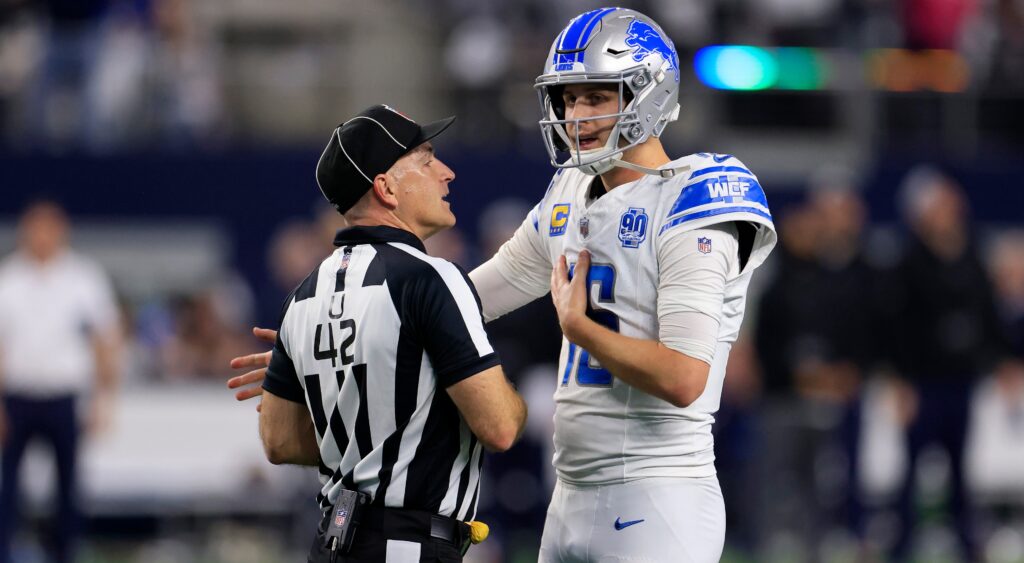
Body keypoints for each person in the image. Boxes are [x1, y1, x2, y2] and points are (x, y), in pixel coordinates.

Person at [231, 9, 777, 562]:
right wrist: (344, 330)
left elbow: (685, 378)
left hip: (659, 492)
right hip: (568, 492)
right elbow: (469, 298)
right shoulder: (569, 190)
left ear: (649, 91)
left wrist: (580, 330)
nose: (575, 115)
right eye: (566, 99)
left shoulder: (697, 196)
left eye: (594, 96)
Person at [249, 104, 528, 563]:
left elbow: (279, 442)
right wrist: (511, 402)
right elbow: (498, 425)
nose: (447, 173)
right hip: (407, 546)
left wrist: (373, 435)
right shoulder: (431, 278)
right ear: (386, 188)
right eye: (426, 159)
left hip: (331, 542)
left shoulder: (302, 295)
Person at [885, 166, 1013, 563]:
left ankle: (966, 541)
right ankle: (902, 543)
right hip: (923, 380)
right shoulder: (908, 262)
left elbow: (987, 314)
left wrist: (1001, 359)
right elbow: (897, 324)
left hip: (962, 378)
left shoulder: (971, 253)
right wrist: (901, 380)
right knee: (913, 468)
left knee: (961, 467)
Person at [0, 201, 121, 563]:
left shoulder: (83, 278)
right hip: (18, 396)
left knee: (68, 485)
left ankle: (64, 553)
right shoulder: (9, 279)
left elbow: (104, 341)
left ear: (61, 231)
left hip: (63, 396)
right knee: (10, 486)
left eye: (48, 228)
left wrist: (103, 400)